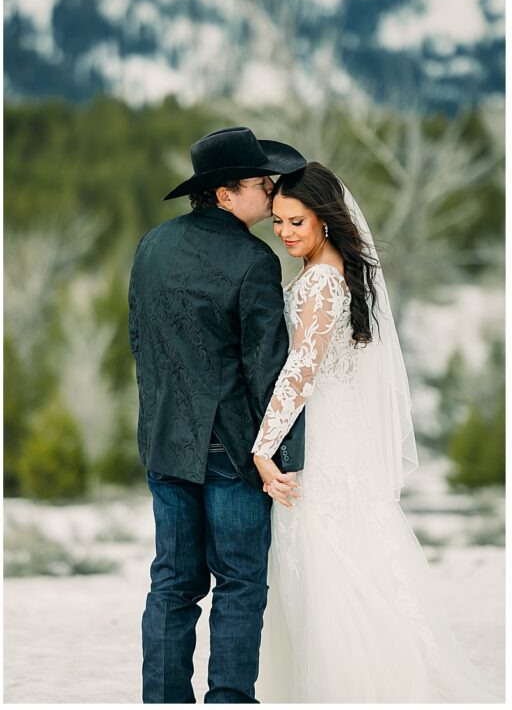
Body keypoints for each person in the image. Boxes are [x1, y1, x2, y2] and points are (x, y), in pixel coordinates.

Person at [251, 162, 501, 702]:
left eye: (296, 222)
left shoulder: (322, 280)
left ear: (324, 219)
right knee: (343, 558)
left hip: (322, 440)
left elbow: (301, 371)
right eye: (278, 222)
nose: (285, 232)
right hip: (341, 433)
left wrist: (263, 449)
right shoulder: (333, 269)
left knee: (327, 567)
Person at [128, 126, 306, 703]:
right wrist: (283, 458)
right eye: (262, 184)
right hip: (233, 451)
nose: (272, 192)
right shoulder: (254, 259)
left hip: (164, 443)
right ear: (226, 193)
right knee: (240, 584)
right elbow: (267, 368)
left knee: (172, 584)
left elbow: (140, 342)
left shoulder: (151, 244)